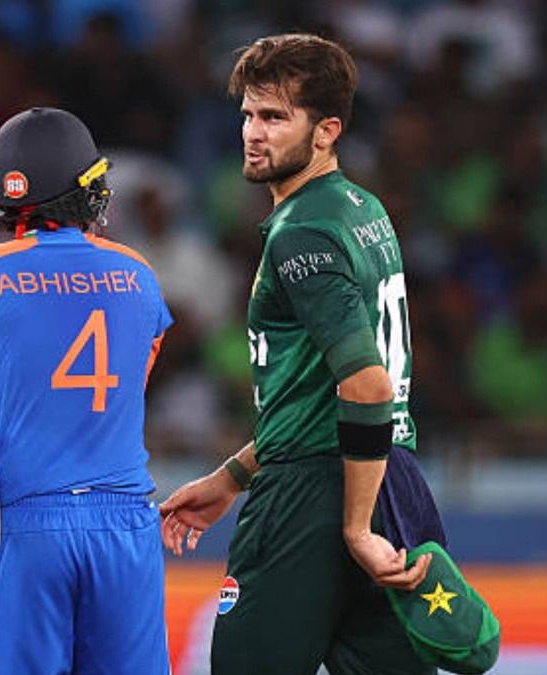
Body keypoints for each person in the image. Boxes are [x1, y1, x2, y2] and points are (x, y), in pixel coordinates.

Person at [159, 34, 445, 674]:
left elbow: (367, 385)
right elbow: (322, 400)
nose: (253, 134)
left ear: (326, 131)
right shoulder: (363, 210)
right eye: (248, 116)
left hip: (314, 499)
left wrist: (354, 528)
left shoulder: (302, 234)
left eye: (275, 117)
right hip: (392, 481)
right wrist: (231, 477)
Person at [0, 107, 173, 674]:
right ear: (86, 190)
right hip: (125, 524)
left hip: (20, 525)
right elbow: (131, 390)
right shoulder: (138, 274)